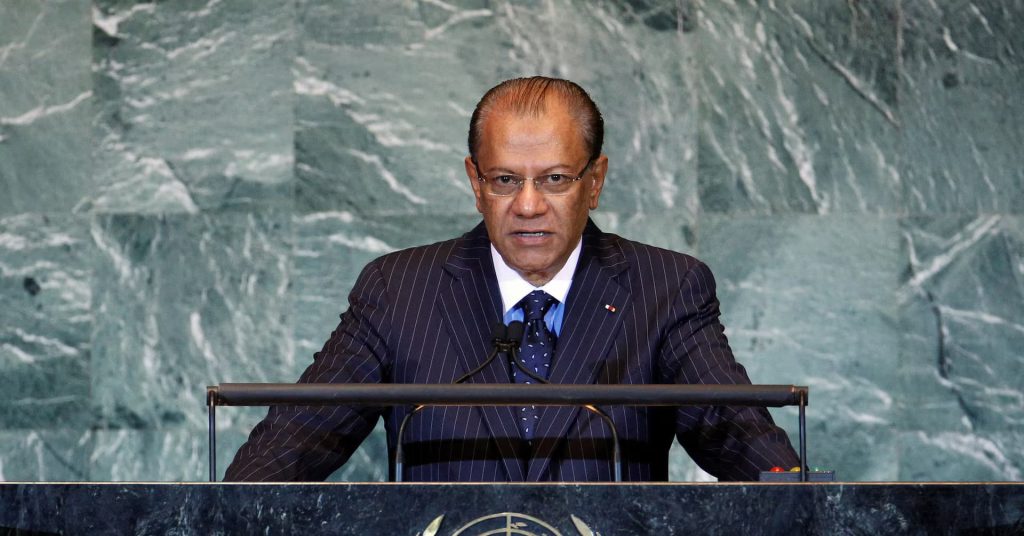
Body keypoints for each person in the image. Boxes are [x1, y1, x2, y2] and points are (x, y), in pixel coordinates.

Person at [226, 77, 799, 482]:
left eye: (554, 179)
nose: (528, 205)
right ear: (475, 183)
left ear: (595, 182)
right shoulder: (398, 290)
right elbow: (287, 450)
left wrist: (810, 496)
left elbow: (740, 437)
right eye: (504, 180)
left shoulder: (665, 288)